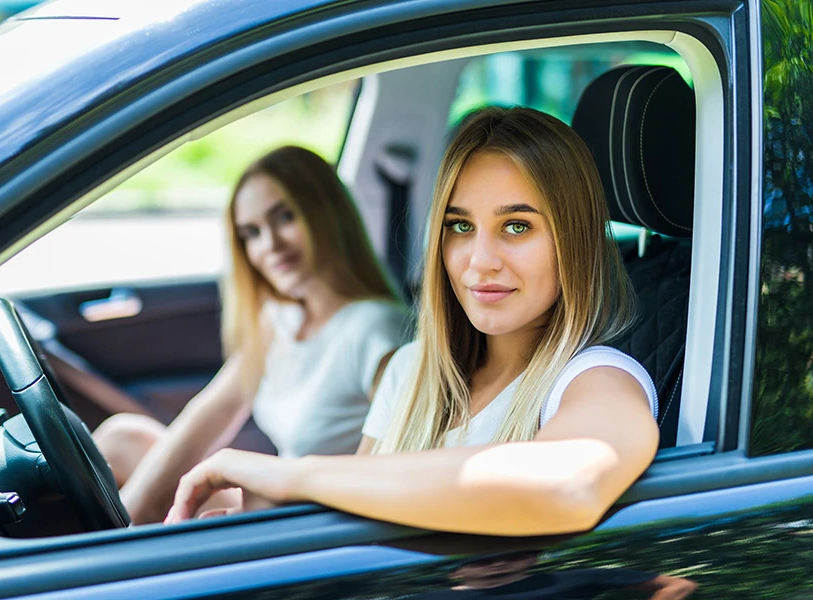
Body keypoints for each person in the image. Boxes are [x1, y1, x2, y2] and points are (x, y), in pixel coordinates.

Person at [164, 107, 661, 536]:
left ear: (572, 241)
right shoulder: (410, 371)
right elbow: (352, 523)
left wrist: (291, 475)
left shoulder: (595, 379)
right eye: (460, 226)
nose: (478, 260)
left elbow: (569, 484)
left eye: (516, 226)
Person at [93, 145, 410, 524]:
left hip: (319, 522)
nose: (269, 245)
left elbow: (383, 479)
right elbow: (208, 415)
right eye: (251, 233)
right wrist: (131, 518)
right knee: (121, 439)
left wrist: (254, 510)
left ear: (327, 212)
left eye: (285, 217)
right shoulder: (279, 319)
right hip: (279, 501)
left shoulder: (377, 330)